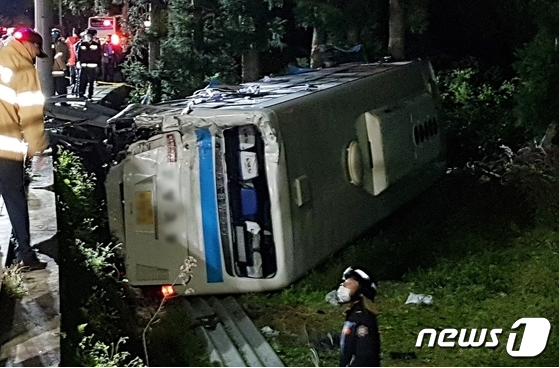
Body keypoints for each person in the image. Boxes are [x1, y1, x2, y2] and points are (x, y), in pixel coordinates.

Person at [0, 28, 49, 271]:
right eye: (36, 52)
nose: (35, 58)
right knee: (14, 198)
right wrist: (38, 150)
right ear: (30, 46)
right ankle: (25, 254)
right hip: (5, 148)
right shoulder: (23, 68)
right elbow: (31, 115)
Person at [337, 266, 381, 367]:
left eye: (350, 282)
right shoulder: (353, 315)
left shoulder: (363, 320)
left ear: (362, 289)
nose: (343, 284)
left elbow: (364, 357)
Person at [76, 28, 102, 99]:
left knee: (91, 81)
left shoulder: (96, 45)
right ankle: (81, 94)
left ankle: (89, 94)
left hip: (92, 66)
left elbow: (99, 55)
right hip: (84, 66)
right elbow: (79, 54)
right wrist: (79, 62)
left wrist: (98, 65)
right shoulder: (82, 44)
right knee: (82, 80)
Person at [51, 28, 70, 96]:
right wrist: (64, 68)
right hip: (59, 69)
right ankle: (63, 101)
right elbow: (61, 57)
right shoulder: (61, 45)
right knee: (61, 86)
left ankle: (52, 101)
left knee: (52, 87)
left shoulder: (47, 44)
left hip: (50, 69)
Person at [65, 28, 80, 95]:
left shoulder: (69, 40)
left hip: (71, 60)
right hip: (76, 61)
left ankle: (73, 87)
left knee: (73, 75)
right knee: (77, 76)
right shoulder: (80, 40)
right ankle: (75, 88)